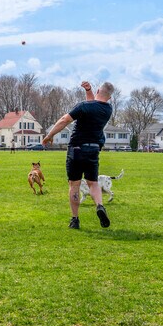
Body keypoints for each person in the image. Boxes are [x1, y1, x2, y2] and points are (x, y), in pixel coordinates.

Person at [43, 81, 114, 229]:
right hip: (93, 150)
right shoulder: (107, 109)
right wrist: (88, 91)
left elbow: (64, 120)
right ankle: (100, 206)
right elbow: (92, 105)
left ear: (99, 90)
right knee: (93, 183)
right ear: (110, 96)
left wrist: (50, 135)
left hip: (76, 150)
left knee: (74, 185)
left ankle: (75, 219)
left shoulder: (83, 107)